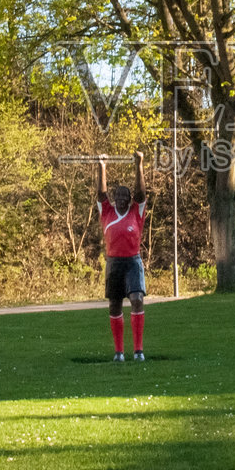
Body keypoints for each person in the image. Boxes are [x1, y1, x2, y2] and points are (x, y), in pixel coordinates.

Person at [97, 153, 147, 361]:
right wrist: (102, 166)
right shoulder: (107, 212)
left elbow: (141, 193)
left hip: (132, 262)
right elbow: (101, 193)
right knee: (114, 305)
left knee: (136, 300)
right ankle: (119, 352)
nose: (121, 199)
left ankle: (138, 351)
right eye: (117, 195)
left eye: (125, 196)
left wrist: (139, 165)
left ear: (129, 199)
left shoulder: (136, 212)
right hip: (114, 264)